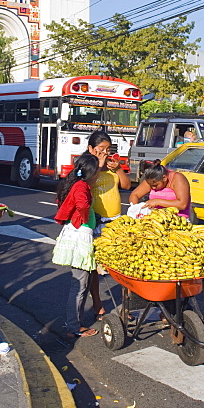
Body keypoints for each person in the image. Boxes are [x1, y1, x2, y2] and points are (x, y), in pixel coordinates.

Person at [52, 153, 100, 338]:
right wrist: (85, 217)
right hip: (80, 235)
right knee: (79, 284)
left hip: (80, 232)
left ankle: (75, 323)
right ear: (91, 172)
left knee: (83, 282)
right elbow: (82, 205)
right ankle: (73, 326)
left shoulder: (78, 184)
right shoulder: (81, 187)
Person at [86, 131, 131, 320]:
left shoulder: (113, 168)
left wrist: (118, 168)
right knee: (94, 268)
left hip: (115, 220)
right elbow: (87, 184)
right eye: (100, 150)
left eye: (108, 150)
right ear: (91, 149)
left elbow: (127, 186)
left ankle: (126, 307)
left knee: (123, 263)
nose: (105, 153)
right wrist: (99, 165)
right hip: (97, 221)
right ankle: (97, 303)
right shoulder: (88, 166)